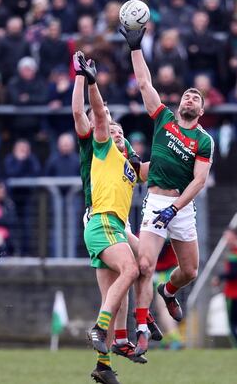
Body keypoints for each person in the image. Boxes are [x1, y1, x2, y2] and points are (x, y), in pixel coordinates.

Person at [119, 26, 214, 358]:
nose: (190, 97)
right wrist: (135, 46)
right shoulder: (164, 120)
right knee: (144, 264)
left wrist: (176, 208)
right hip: (157, 200)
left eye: (196, 97)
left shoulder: (203, 141)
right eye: (187, 94)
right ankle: (142, 328)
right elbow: (145, 83)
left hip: (181, 205)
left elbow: (199, 181)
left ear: (201, 111)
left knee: (189, 271)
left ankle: (168, 291)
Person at [71, 52, 151, 380]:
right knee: (133, 268)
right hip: (100, 218)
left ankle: (104, 365)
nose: (116, 133)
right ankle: (109, 332)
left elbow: (152, 171)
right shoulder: (98, 146)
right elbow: (90, 113)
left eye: (121, 132)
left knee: (116, 291)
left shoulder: (129, 165)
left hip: (114, 222)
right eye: (112, 130)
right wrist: (86, 78)